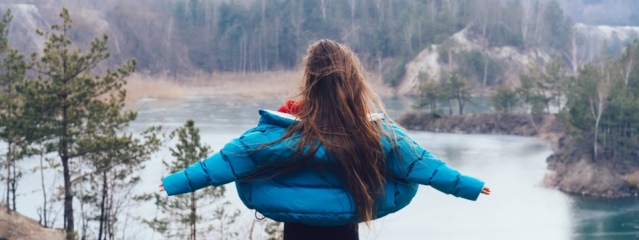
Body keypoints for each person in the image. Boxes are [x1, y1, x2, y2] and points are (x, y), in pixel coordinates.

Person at [159, 39, 491, 240]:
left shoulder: (284, 126)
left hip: (297, 227)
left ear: (309, 79)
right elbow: (419, 164)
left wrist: (176, 182)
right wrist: (468, 185)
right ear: (352, 80)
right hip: (346, 222)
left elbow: (231, 160)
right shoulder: (369, 128)